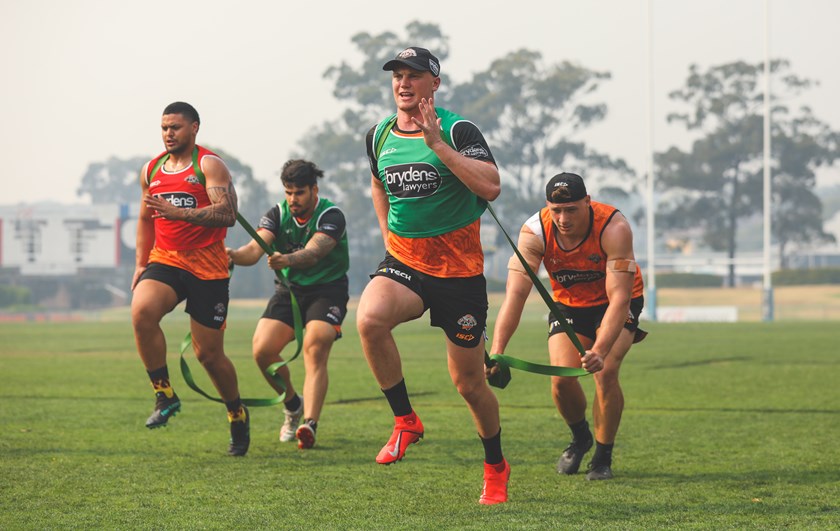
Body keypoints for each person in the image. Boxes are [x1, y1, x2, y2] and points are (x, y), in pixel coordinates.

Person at [357, 47, 509, 505]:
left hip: (459, 273)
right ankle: (406, 421)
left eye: (414, 76)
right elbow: (378, 184)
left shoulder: (459, 129)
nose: (403, 84)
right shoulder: (379, 134)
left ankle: (495, 467)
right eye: (397, 76)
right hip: (405, 261)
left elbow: (492, 186)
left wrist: (437, 144)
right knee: (369, 319)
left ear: (434, 84)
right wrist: (388, 235)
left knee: (468, 385)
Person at [489, 172, 647, 480]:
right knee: (561, 380)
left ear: (587, 203)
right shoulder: (534, 232)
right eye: (556, 210)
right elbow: (516, 296)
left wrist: (599, 349)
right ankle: (580, 437)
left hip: (617, 303)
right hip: (570, 305)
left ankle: (602, 456)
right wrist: (497, 351)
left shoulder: (614, 228)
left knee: (606, 369)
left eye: (571, 209)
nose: (563, 218)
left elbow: (619, 300)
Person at [131, 101, 250, 456]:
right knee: (141, 312)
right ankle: (164, 394)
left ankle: (236, 413)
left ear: (194, 128)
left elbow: (227, 214)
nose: (169, 133)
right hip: (165, 260)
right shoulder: (151, 169)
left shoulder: (208, 165)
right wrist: (140, 263)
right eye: (165, 127)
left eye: (176, 127)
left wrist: (179, 212)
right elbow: (144, 219)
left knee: (209, 357)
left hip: (208, 267)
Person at [227, 159, 349, 450]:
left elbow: (314, 253)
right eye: (288, 192)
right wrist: (232, 254)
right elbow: (255, 249)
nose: (293, 199)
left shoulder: (331, 215)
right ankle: (293, 405)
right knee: (262, 351)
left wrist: (287, 259)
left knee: (316, 344)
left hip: (327, 290)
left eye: (299, 193)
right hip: (289, 291)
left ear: (314, 190)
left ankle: (310, 424)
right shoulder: (277, 215)